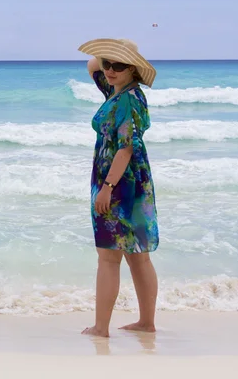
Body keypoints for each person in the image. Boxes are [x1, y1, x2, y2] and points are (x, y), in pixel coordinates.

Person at [77, 38, 160, 337]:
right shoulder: (119, 89)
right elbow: (92, 64)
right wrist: (114, 53)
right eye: (108, 64)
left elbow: (124, 149)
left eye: (119, 65)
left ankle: (101, 327)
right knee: (139, 254)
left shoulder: (125, 99)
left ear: (134, 69)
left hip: (118, 180)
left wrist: (107, 187)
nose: (109, 70)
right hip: (137, 181)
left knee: (108, 257)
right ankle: (146, 323)